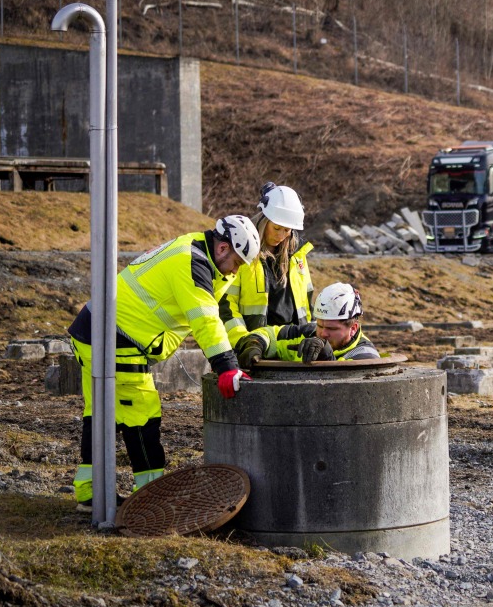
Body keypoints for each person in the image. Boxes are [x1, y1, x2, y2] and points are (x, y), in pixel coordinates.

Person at [67, 215, 261, 511]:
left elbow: (218, 310)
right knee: (142, 414)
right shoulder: (193, 265)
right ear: (223, 248)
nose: (237, 270)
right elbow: (206, 320)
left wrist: (244, 344)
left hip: (96, 330)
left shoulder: (199, 251)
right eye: (237, 262)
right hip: (115, 337)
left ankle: (90, 492)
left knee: (102, 412)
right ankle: (148, 497)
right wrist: (227, 366)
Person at [220, 182, 314, 347]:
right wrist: (245, 342)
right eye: (276, 228)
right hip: (254, 345)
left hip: (293, 345)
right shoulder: (242, 251)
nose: (281, 236)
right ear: (264, 221)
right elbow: (227, 305)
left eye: (287, 230)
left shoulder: (298, 255)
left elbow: (306, 305)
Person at [234, 283, 380, 367]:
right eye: (320, 325)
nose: (323, 333)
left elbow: (341, 389)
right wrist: (254, 344)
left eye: (331, 328)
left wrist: (325, 358)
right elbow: (270, 334)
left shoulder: (366, 355)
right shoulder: (308, 333)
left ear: (353, 328)